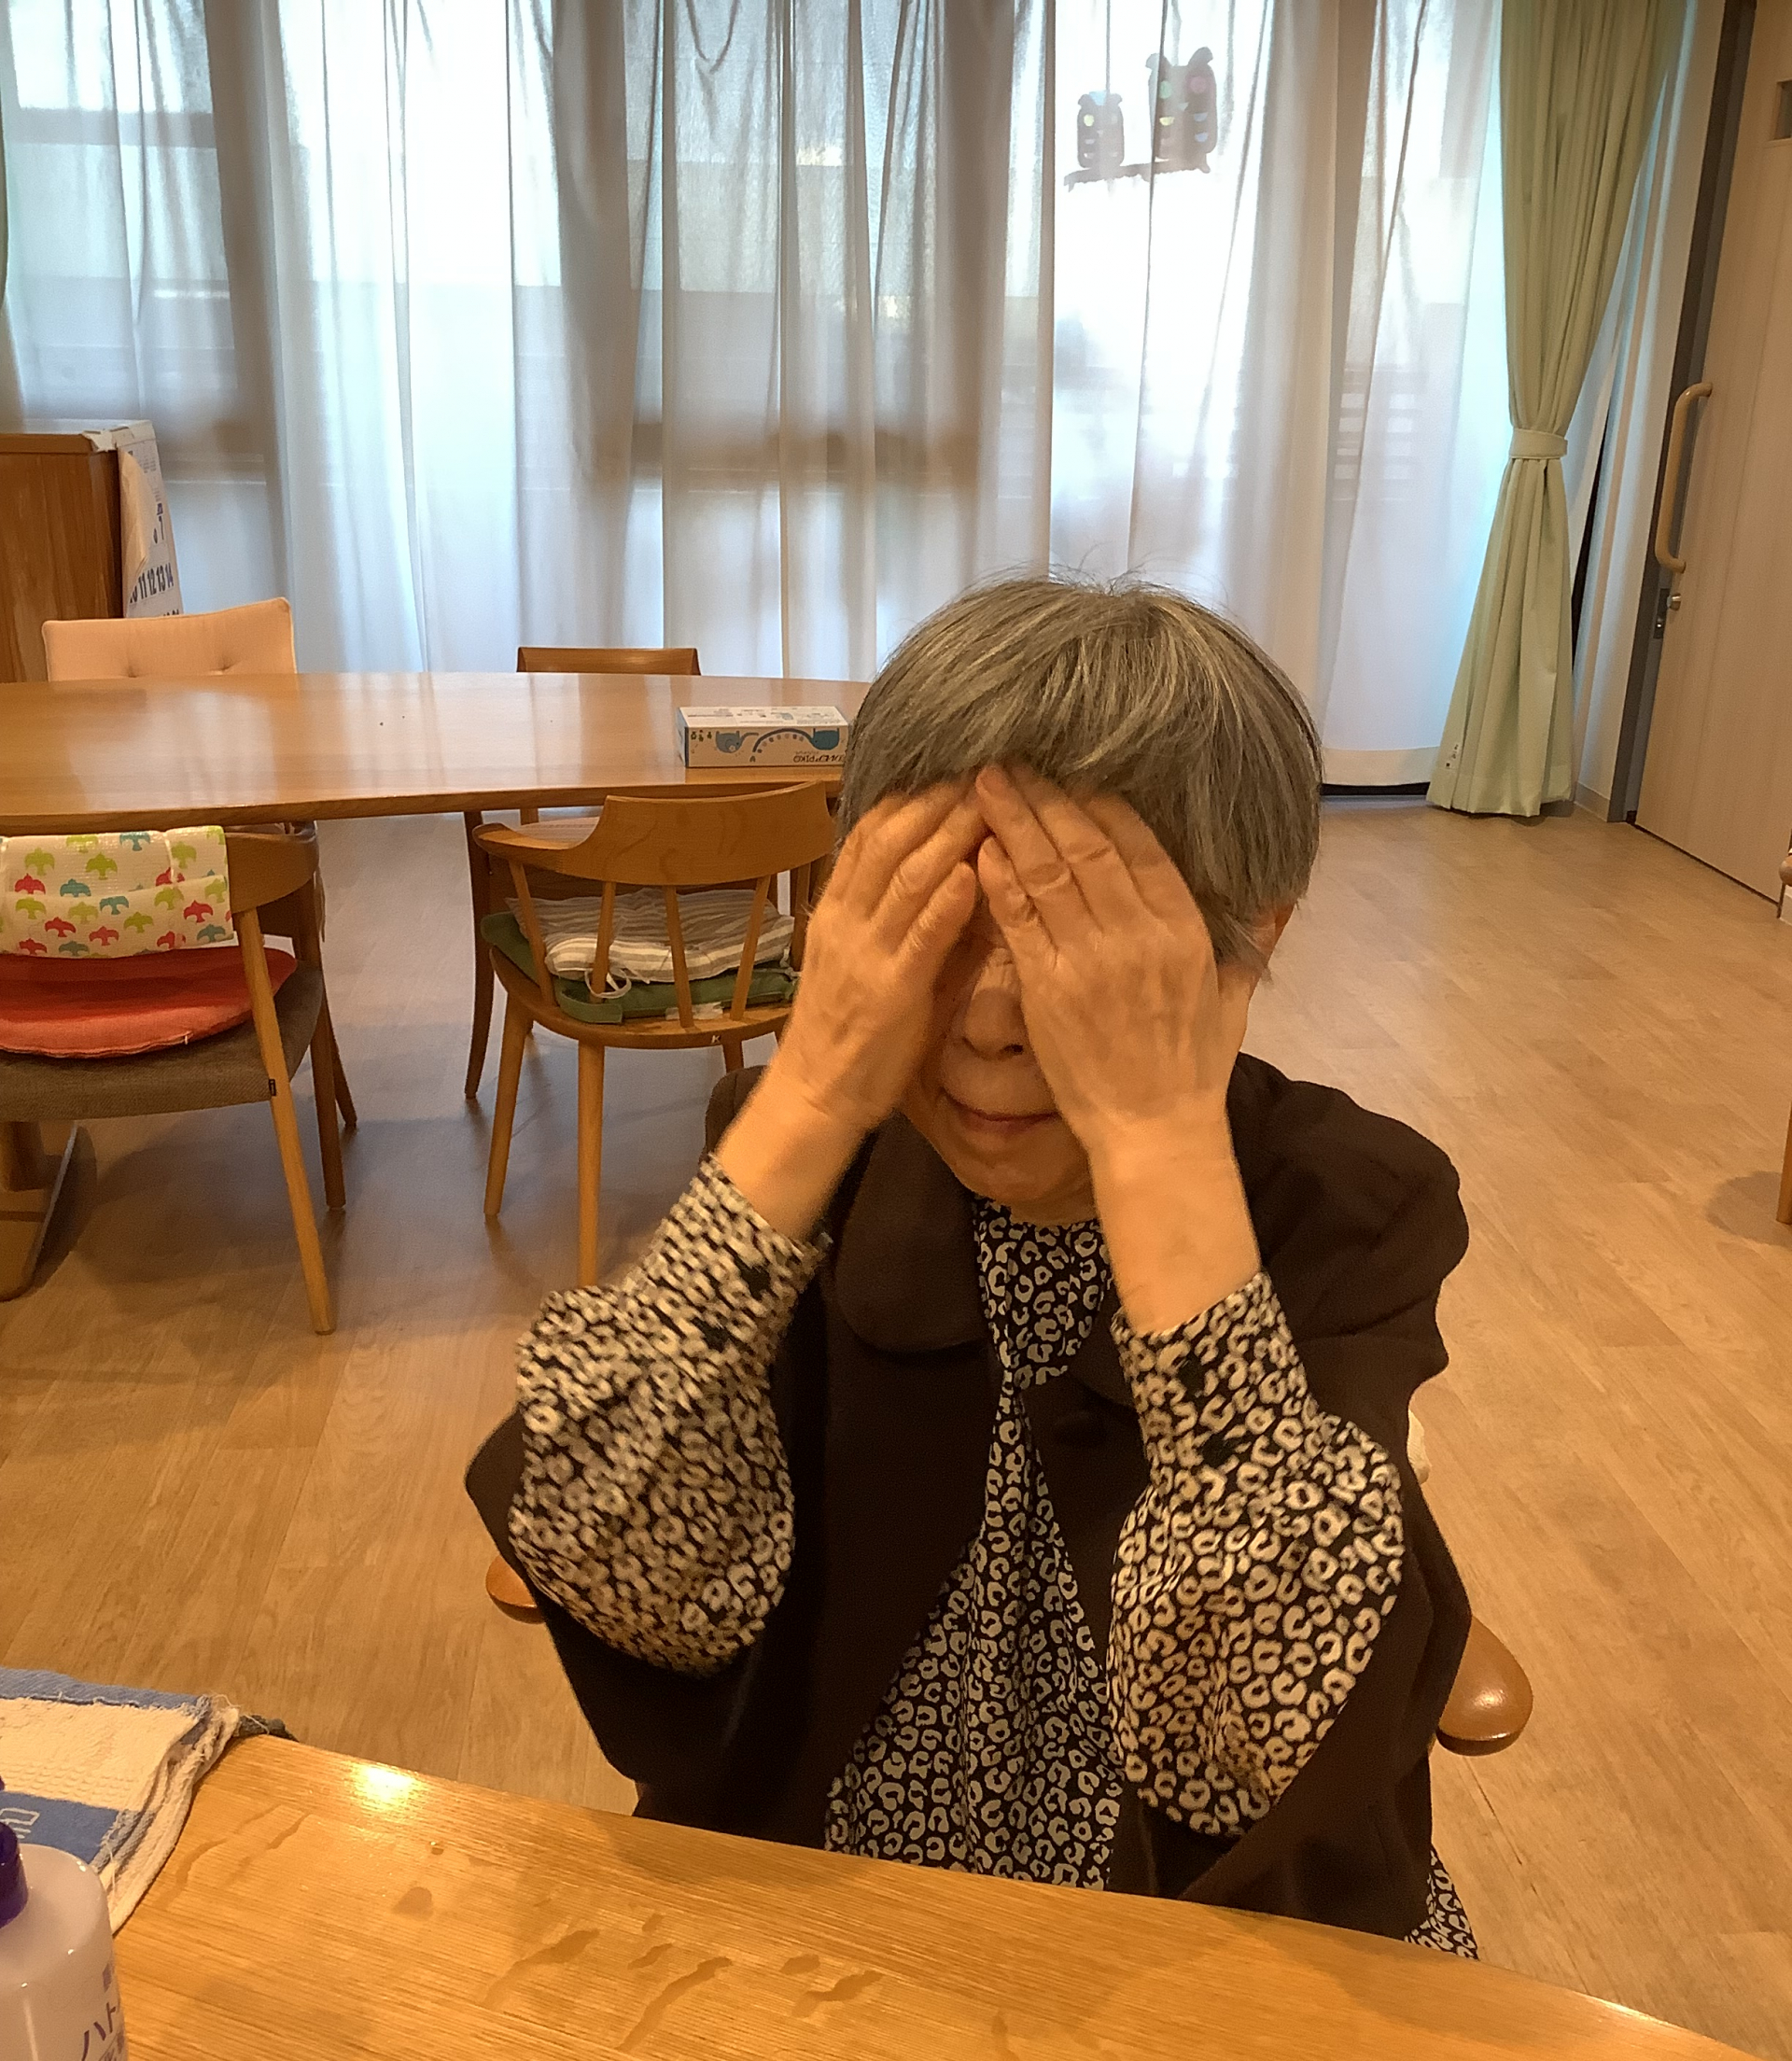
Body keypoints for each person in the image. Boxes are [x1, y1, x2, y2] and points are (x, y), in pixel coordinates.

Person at [467, 575, 1477, 1952]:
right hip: (833, 1896)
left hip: (1207, 1937)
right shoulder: (811, 1166)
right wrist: (811, 1093)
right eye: (939, 921)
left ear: (1253, 934)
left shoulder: (1348, 1203)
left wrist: (1155, 1139)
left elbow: (1255, 1730)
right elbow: (623, 1561)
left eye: (1080, 940)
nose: (994, 1017)